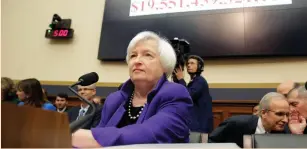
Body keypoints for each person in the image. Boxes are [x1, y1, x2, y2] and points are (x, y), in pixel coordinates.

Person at [71, 31, 193, 148]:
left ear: (165, 66)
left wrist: (88, 137)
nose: (137, 61)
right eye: (133, 55)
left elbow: (152, 134)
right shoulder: (114, 99)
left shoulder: (175, 93)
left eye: (148, 55)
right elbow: (92, 142)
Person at [208, 92, 289, 148]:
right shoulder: (236, 124)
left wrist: (297, 133)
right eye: (280, 114)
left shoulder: (284, 132)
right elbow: (210, 143)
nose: (285, 120)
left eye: (287, 115)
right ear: (264, 113)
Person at [174, 55, 213, 133]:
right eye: (188, 63)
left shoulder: (200, 81)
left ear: (199, 66)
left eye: (192, 63)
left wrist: (181, 79)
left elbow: (188, 95)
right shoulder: (193, 81)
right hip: (195, 124)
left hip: (200, 126)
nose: (188, 65)